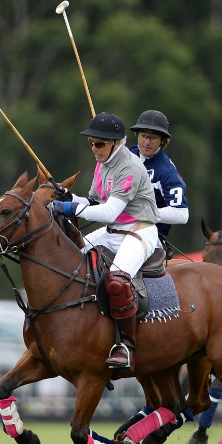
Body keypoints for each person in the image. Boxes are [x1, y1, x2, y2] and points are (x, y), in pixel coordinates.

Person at [50, 112, 161, 371]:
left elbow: (110, 211)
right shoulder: (103, 163)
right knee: (72, 257)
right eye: (91, 143)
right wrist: (69, 197)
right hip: (113, 231)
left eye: (99, 144)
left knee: (116, 281)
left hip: (139, 231)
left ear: (117, 143)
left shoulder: (131, 167)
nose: (94, 149)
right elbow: (93, 202)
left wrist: (68, 208)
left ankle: (127, 347)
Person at [128, 110, 188, 251]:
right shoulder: (127, 155)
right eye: (143, 136)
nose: (147, 142)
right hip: (119, 228)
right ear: (137, 135)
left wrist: (141, 211)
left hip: (149, 236)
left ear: (162, 141)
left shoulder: (167, 172)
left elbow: (182, 214)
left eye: (153, 137)